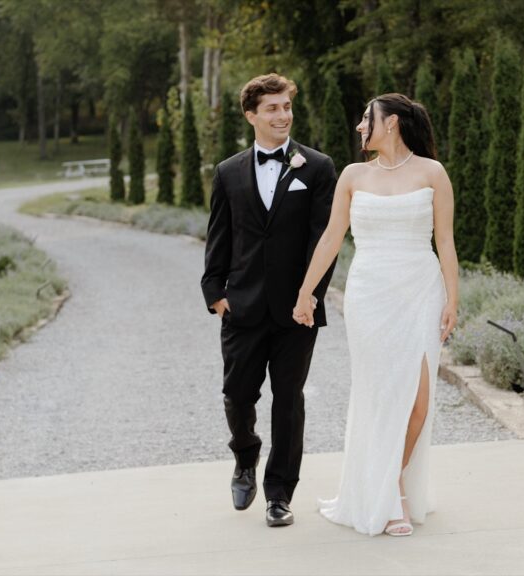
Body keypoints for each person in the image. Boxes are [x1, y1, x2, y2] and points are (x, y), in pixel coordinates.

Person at [292, 93, 459, 537]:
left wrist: (453, 299)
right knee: (381, 393)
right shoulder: (353, 175)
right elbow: (330, 239)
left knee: (419, 403)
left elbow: (445, 241)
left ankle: (394, 481)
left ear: (393, 124)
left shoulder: (432, 173)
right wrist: (306, 292)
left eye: (367, 119)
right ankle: (389, 497)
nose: (360, 127)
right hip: (369, 296)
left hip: (421, 291)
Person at [201, 73, 337, 528]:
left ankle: (280, 494)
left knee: (289, 399)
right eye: (273, 109)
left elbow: (325, 240)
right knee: (237, 395)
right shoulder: (228, 172)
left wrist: (311, 297)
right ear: (251, 115)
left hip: (297, 310)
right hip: (241, 306)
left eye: (287, 107)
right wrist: (216, 295)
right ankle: (245, 456)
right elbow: (219, 238)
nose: (283, 116)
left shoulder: (317, 167)